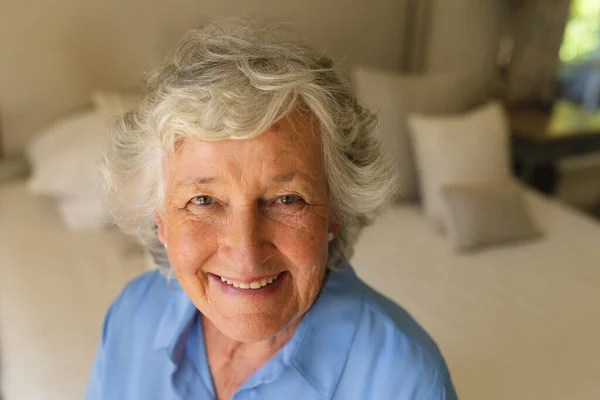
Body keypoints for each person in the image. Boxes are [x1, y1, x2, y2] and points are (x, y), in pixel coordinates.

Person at [85, 19, 458, 400]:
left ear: (335, 212)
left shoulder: (408, 382)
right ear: (160, 219)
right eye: (203, 200)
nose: (246, 254)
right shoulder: (131, 317)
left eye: (286, 199)